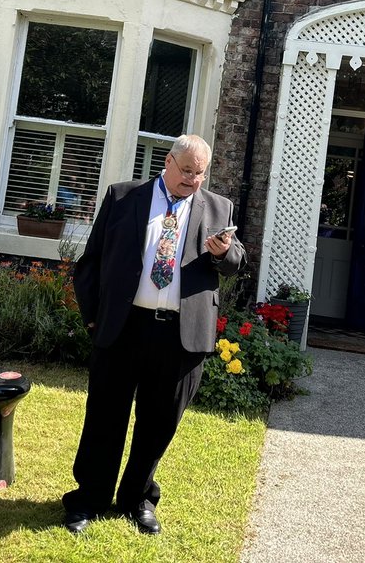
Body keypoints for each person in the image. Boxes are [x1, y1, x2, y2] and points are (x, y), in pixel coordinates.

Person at [62, 134, 245, 536]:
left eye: (200, 173)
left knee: (159, 423)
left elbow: (235, 262)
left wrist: (222, 253)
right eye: (187, 170)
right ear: (168, 162)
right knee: (105, 416)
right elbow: (91, 262)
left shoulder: (219, 208)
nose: (193, 179)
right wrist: (93, 318)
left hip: (180, 336)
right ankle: (89, 498)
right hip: (124, 327)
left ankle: (138, 499)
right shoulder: (124, 197)